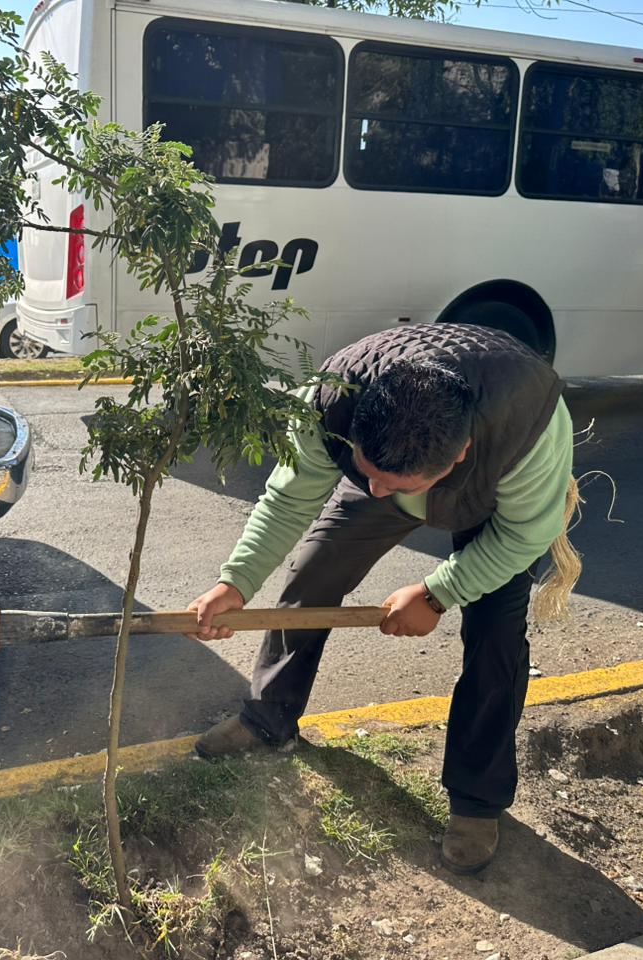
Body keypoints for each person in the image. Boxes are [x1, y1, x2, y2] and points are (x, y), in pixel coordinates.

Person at [188, 323, 578, 875]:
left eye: (396, 484)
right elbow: (288, 499)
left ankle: (477, 800)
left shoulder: (529, 425)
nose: (376, 492)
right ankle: (268, 719)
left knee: (496, 640)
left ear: (459, 452)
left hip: (495, 510)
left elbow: (523, 536)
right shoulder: (332, 401)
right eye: (370, 475)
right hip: (399, 459)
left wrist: (439, 593)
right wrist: (236, 581)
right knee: (312, 572)